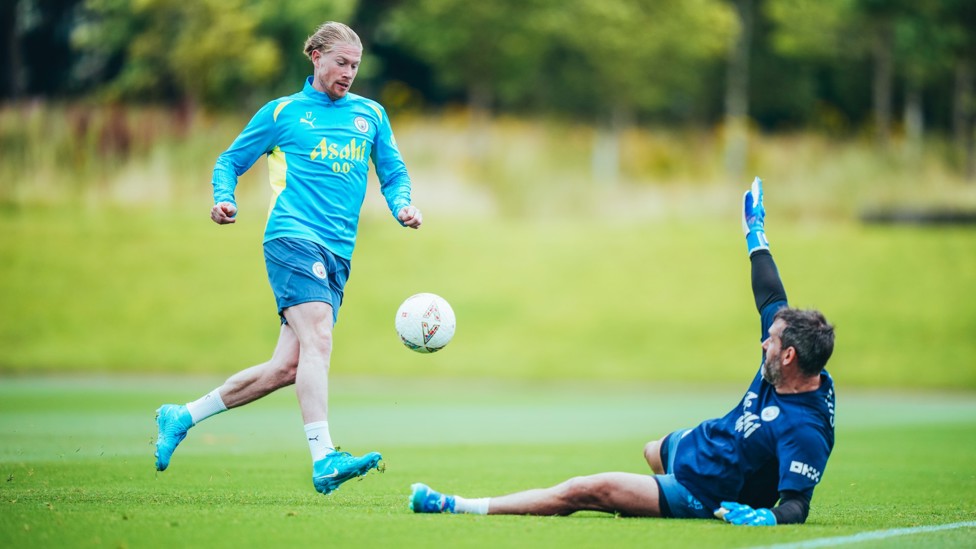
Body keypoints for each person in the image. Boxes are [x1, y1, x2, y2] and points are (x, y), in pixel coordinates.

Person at [410, 178, 836, 525]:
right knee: (653, 449)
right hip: (706, 443)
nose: (765, 341)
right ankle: (655, 494)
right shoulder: (790, 355)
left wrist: (766, 518)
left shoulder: (805, 429)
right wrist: (755, 233)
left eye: (772, 342)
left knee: (586, 490)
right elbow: (770, 296)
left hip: (705, 490)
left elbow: (797, 505)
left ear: (788, 357)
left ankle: (459, 505)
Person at [153, 21, 423, 495]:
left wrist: (402, 203)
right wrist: (223, 197)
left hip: (338, 253)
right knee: (319, 337)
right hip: (292, 238)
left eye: (356, 66)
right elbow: (229, 160)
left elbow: (393, 171)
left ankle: (183, 415)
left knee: (287, 367)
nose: (349, 73)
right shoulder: (284, 112)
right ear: (315, 57)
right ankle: (324, 458)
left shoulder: (371, 116)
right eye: (341, 62)